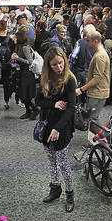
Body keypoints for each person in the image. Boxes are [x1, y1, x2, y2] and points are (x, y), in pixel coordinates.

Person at [36, 46, 76, 212]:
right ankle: (55, 189)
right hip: (46, 126)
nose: (59, 68)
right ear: (48, 65)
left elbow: (71, 108)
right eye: (54, 65)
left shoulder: (69, 79)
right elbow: (38, 101)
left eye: (61, 63)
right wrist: (53, 103)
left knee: (64, 164)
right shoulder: (45, 77)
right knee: (51, 161)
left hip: (62, 127)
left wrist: (58, 129)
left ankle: (69, 194)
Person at [75, 31, 110, 121]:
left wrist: (82, 89)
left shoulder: (100, 56)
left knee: (92, 119)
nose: (86, 43)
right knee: (92, 118)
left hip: (98, 92)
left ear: (96, 41)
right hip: (98, 91)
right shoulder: (99, 53)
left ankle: (97, 135)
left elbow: (97, 79)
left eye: (88, 40)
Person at [11, 29, 39, 120]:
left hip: (28, 73)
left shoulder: (25, 48)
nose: (13, 39)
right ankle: (29, 111)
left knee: (27, 94)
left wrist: (18, 58)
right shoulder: (19, 47)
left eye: (15, 37)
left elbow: (30, 62)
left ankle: (34, 109)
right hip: (23, 72)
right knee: (24, 94)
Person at [0, 20, 14, 110]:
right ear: (5, 27)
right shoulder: (9, 39)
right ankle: (6, 102)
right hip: (7, 65)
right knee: (6, 84)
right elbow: (12, 51)